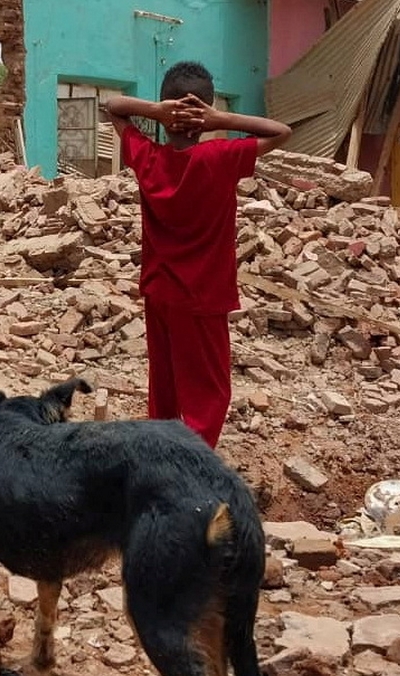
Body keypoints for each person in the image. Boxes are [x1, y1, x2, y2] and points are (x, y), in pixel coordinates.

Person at [103, 61, 292, 449]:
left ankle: (162, 456)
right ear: (205, 112)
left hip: (159, 294)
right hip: (203, 298)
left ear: (166, 113)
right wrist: (220, 118)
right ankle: (194, 465)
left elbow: (113, 106)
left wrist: (155, 111)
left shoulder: (148, 158)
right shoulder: (220, 158)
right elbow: (281, 132)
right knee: (208, 392)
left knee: (166, 385)